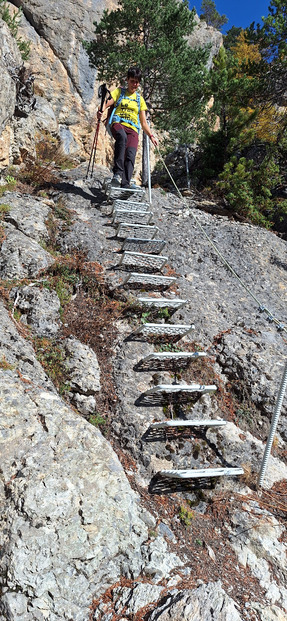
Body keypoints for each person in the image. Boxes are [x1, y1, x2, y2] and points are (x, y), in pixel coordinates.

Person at [97, 66, 158, 188]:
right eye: (132, 81)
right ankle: (117, 174)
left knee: (130, 154)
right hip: (118, 123)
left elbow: (143, 122)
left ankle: (125, 184)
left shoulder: (140, 100)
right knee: (122, 137)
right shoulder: (119, 92)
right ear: (127, 80)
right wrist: (101, 110)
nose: (134, 84)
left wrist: (151, 136)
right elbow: (106, 104)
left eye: (136, 82)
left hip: (133, 129)